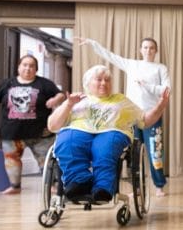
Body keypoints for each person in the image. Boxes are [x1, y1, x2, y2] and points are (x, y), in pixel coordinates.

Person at [47, 65, 169, 203]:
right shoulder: (77, 100)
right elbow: (52, 126)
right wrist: (68, 104)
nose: (104, 83)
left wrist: (161, 106)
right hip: (78, 130)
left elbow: (145, 121)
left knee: (104, 148)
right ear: (88, 82)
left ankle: (102, 188)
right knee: (67, 142)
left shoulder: (120, 100)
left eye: (107, 80)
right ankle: (78, 183)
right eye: (99, 79)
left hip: (111, 132)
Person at [76, 36, 171, 196]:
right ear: (140, 50)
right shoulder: (132, 64)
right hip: (130, 116)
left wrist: (148, 86)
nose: (148, 50)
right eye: (145, 47)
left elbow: (166, 90)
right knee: (133, 153)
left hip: (152, 114)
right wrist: (93, 43)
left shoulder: (160, 68)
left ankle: (159, 185)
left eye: (151, 48)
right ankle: (137, 187)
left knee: (155, 151)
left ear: (156, 51)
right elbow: (110, 55)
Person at [0, 55, 65, 194]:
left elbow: (60, 95)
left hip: (40, 133)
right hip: (12, 133)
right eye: (25, 65)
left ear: (36, 69)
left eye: (31, 66)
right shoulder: (7, 84)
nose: (28, 68)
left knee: (47, 161)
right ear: (19, 67)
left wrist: (55, 100)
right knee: (12, 160)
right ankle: (15, 186)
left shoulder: (45, 84)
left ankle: (52, 185)